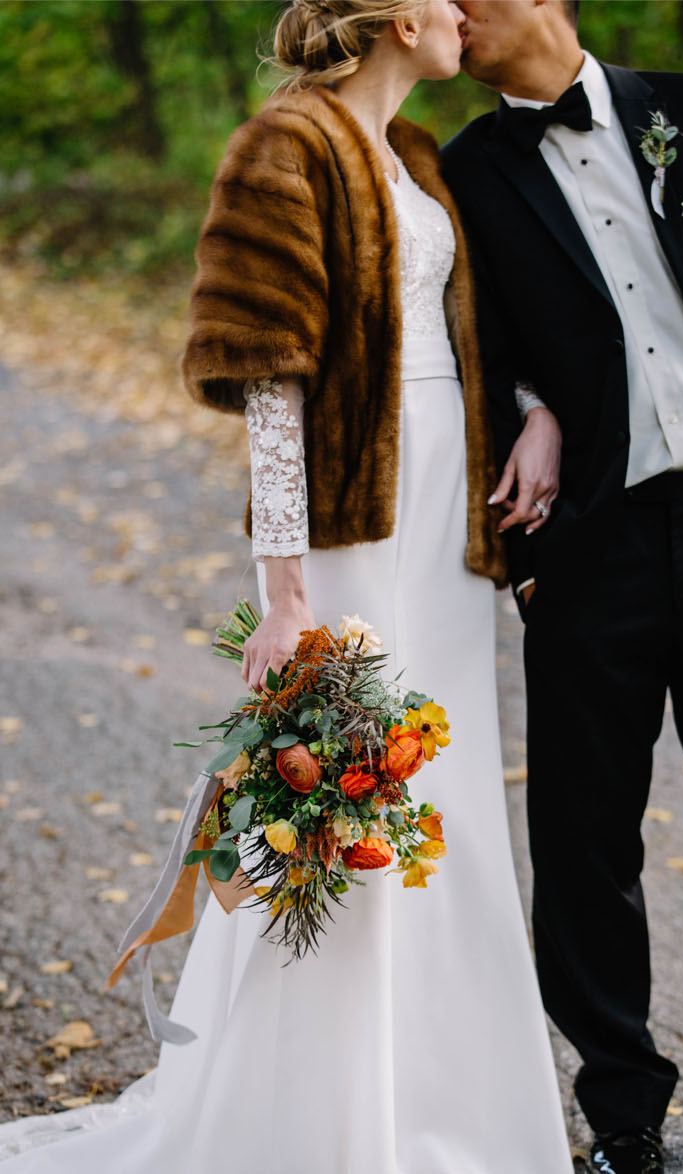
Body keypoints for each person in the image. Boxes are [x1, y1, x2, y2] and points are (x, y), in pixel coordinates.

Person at [0, 2, 572, 1170]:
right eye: (447, 2)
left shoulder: (416, 158)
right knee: (346, 805)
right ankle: (319, 1121)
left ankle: (446, 1112)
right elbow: (270, 382)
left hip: (444, 517)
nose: (468, 13)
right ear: (401, 18)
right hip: (350, 521)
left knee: (444, 801)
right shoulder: (282, 145)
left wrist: (531, 413)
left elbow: (463, 342)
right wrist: (284, 587)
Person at [438, 2, 683, 1168]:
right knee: (583, 839)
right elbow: (464, 349)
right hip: (594, 544)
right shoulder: (464, 174)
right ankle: (622, 1111)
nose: (453, 13)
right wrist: (529, 413)